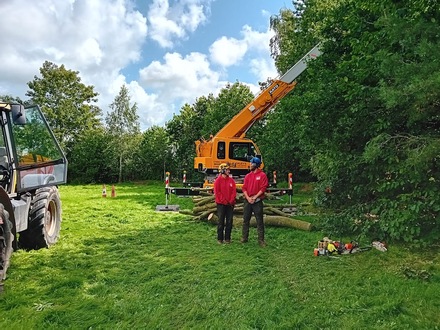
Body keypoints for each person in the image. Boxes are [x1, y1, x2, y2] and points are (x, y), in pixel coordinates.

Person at [241, 157, 269, 247]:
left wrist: (255, 197)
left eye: (251, 164)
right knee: (246, 220)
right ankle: (244, 237)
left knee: (259, 221)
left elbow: (263, 188)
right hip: (247, 200)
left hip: (257, 201)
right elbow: (244, 188)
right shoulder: (248, 176)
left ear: (256, 165)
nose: (250, 165)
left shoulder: (262, 175)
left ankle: (261, 240)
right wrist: (248, 198)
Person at [214, 163, 236, 244]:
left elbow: (233, 191)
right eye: (227, 170)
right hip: (221, 204)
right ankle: (220, 238)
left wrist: (231, 200)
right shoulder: (218, 181)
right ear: (222, 170)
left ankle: (227, 238)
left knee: (229, 221)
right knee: (221, 221)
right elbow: (217, 193)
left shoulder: (231, 181)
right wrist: (224, 201)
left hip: (230, 204)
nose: (229, 171)